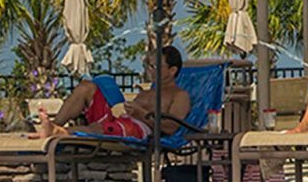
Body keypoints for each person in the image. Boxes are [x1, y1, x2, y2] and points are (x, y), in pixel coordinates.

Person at [34, 45, 191, 140]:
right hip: (120, 119)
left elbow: (171, 127)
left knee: (100, 128)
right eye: (148, 65)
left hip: (139, 129)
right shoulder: (147, 92)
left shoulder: (179, 95)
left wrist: (141, 113)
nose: (150, 70)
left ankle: (57, 131)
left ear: (172, 70)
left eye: (155, 66)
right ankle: (54, 125)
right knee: (85, 87)